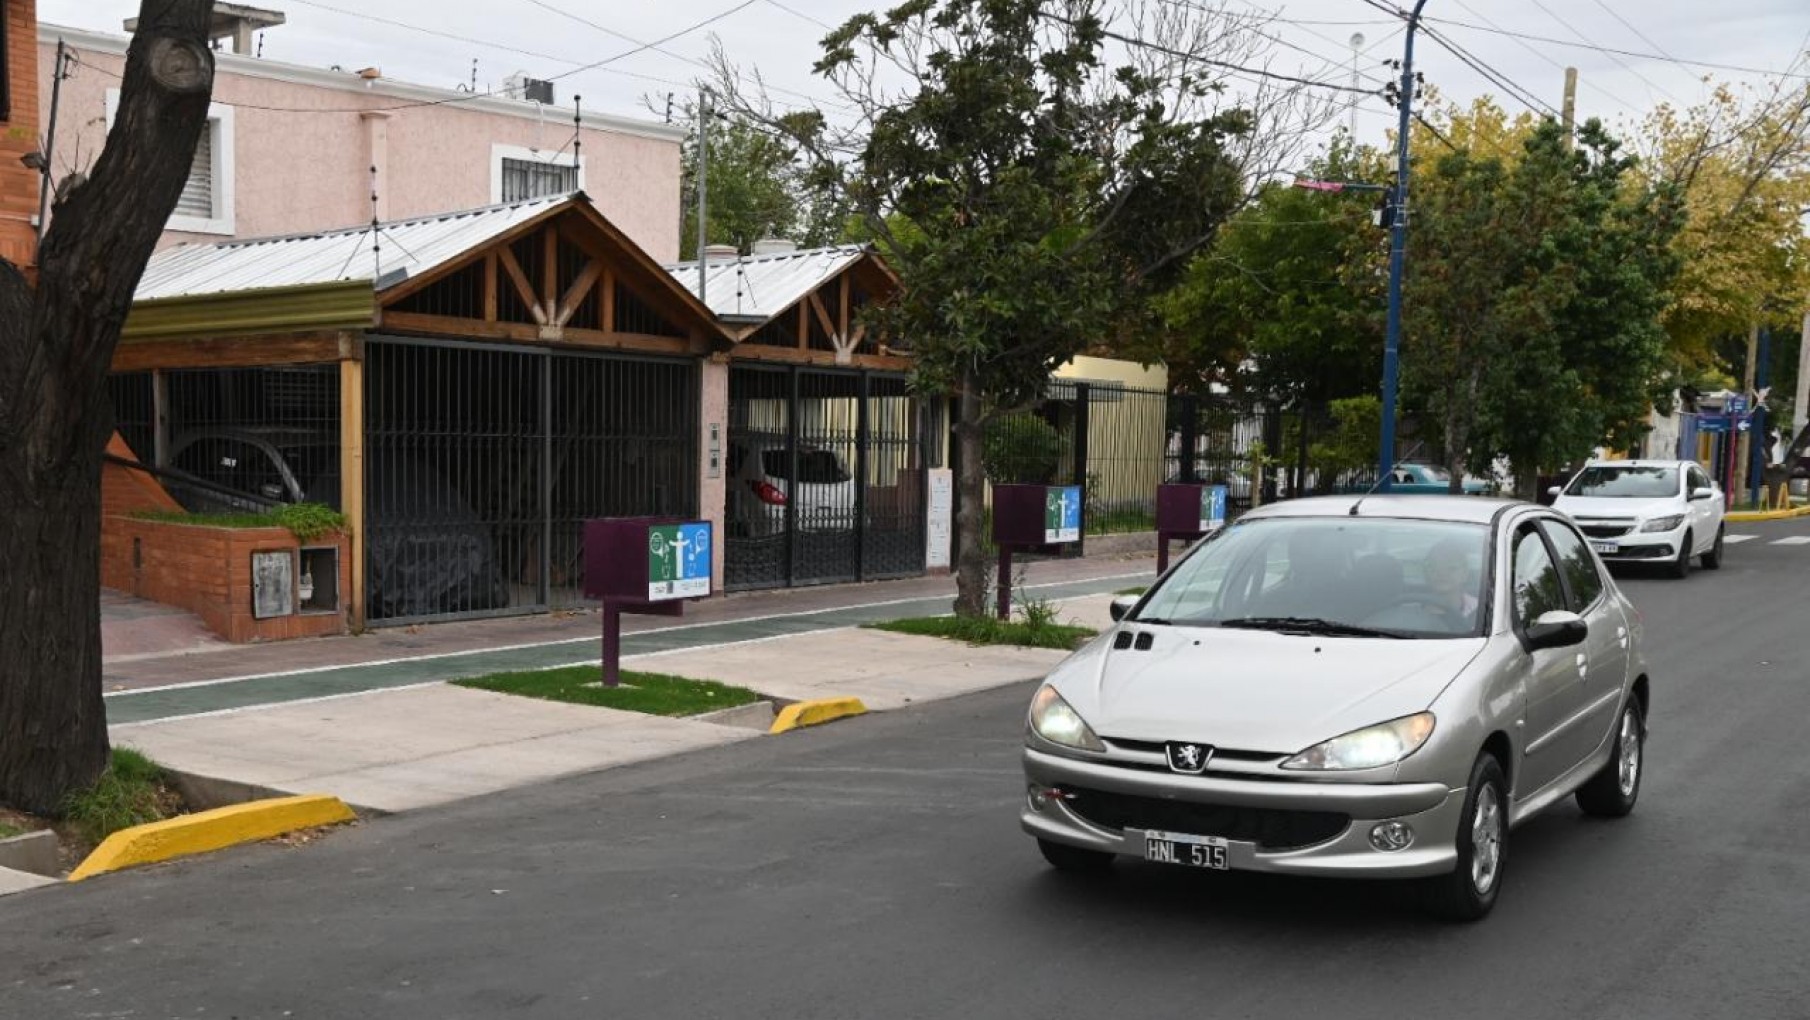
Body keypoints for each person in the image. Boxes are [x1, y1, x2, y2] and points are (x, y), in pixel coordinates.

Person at [1421, 538, 1479, 630]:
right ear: (1425, 573)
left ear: (1465, 574)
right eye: (1433, 567)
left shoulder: (1480, 610)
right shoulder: (1408, 611)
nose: (1441, 573)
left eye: (1452, 568)